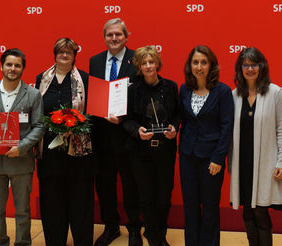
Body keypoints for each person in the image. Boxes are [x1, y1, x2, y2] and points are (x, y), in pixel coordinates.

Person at [0, 48, 45, 246]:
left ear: (23, 68)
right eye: (9, 64)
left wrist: (22, 147)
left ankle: (23, 242)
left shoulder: (33, 94)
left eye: (17, 65)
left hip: (21, 161)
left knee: (22, 210)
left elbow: (40, 126)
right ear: (1, 66)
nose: (12, 68)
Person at [89, 18, 142, 246]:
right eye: (109, 35)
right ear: (104, 37)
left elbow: (141, 97)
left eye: (118, 35)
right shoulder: (95, 61)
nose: (114, 38)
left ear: (126, 37)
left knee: (131, 185)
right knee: (105, 185)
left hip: (127, 135)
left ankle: (133, 229)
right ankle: (111, 227)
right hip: (101, 136)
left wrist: (124, 118)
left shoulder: (137, 60)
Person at [36, 38, 94, 246]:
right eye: (61, 51)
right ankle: (54, 240)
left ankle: (83, 240)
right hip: (49, 151)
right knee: (52, 200)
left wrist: (75, 128)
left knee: (81, 199)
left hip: (79, 152)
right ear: (55, 53)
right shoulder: (41, 79)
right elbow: (36, 114)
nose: (64, 54)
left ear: (75, 55)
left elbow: (92, 114)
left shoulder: (85, 79)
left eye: (69, 51)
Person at [229, 47, 282, 246]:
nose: (250, 69)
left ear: (261, 67)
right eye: (246, 65)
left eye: (254, 64)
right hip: (242, 163)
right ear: (240, 68)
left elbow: (281, 129)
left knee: (261, 211)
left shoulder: (275, 92)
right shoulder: (234, 95)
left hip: (266, 163)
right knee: (247, 211)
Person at [122, 46, 180, 246]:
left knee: (163, 197)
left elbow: (178, 114)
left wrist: (175, 128)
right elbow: (125, 119)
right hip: (140, 152)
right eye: (143, 63)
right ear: (138, 66)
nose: (148, 66)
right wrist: (137, 130)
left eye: (151, 62)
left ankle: (160, 233)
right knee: (145, 197)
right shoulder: (133, 89)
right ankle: (152, 236)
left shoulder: (171, 87)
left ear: (157, 64)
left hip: (165, 151)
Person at [179, 45, 234, 246]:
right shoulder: (184, 89)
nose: (199, 67)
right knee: (190, 207)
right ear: (190, 65)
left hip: (211, 161)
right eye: (195, 62)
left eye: (203, 62)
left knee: (210, 208)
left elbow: (226, 128)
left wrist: (218, 158)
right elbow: (182, 120)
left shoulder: (223, 92)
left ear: (211, 66)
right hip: (187, 157)